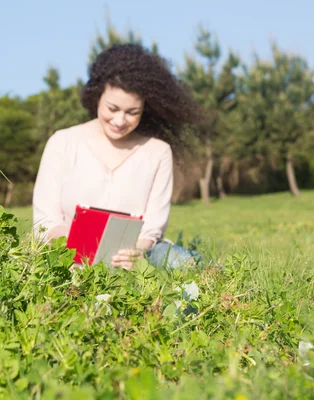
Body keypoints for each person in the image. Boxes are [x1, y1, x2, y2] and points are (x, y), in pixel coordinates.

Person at [32, 43, 203, 270]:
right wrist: (68, 248)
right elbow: (45, 220)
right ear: (97, 97)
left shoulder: (158, 151)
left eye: (133, 113)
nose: (120, 121)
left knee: (186, 263)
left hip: (139, 257)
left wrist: (137, 253)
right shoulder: (62, 142)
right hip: (66, 257)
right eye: (112, 108)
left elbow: (153, 225)